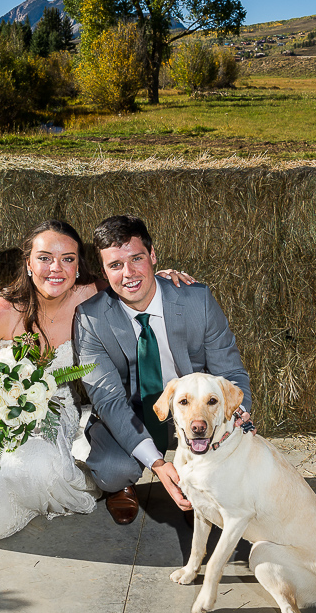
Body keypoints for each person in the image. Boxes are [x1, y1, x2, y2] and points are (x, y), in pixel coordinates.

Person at [0, 219, 194, 540]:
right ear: (28, 263)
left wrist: (161, 277)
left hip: (55, 409)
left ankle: (112, 474)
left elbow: (134, 283)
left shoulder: (91, 295)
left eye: (68, 259)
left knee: (40, 470)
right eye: (45, 258)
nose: (57, 268)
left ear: (79, 266)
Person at [75, 215, 252, 526]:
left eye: (136, 259)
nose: (128, 273)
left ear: (153, 255)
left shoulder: (198, 300)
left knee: (243, 466)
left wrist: (238, 416)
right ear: (103, 271)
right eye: (115, 265)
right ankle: (125, 484)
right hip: (132, 410)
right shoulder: (90, 319)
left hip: (195, 409)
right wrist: (158, 464)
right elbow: (109, 401)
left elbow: (231, 371)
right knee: (114, 471)